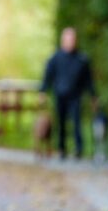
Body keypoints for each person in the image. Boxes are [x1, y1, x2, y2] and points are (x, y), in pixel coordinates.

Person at [40, 27, 96, 159]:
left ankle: (78, 149)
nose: (70, 41)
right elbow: (48, 76)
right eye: (68, 38)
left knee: (77, 122)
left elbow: (89, 80)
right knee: (61, 122)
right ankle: (61, 149)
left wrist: (93, 96)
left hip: (76, 95)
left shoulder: (81, 59)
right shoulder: (55, 58)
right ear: (63, 40)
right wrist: (42, 92)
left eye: (73, 39)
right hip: (60, 95)